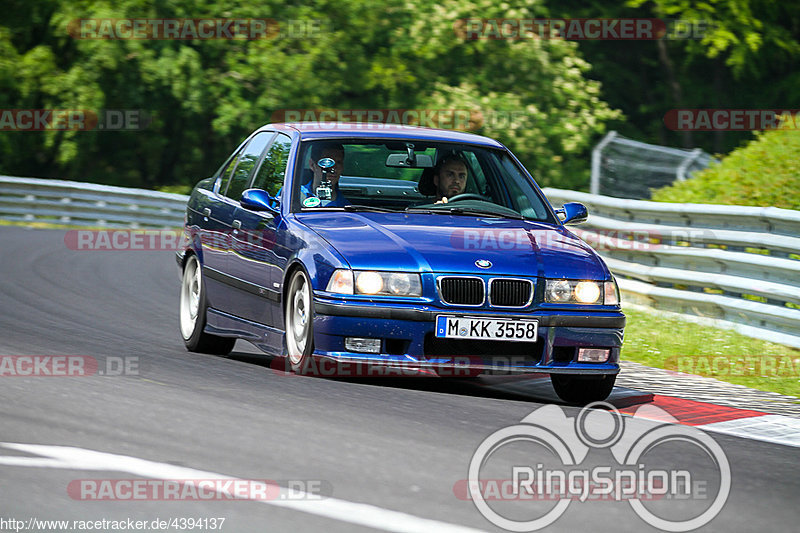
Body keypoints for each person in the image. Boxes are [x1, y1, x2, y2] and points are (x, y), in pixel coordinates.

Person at [299, 142, 349, 207]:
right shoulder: (293, 195)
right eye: (326, 162)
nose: (333, 168)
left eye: (338, 162)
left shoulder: (346, 208)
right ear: (312, 165)